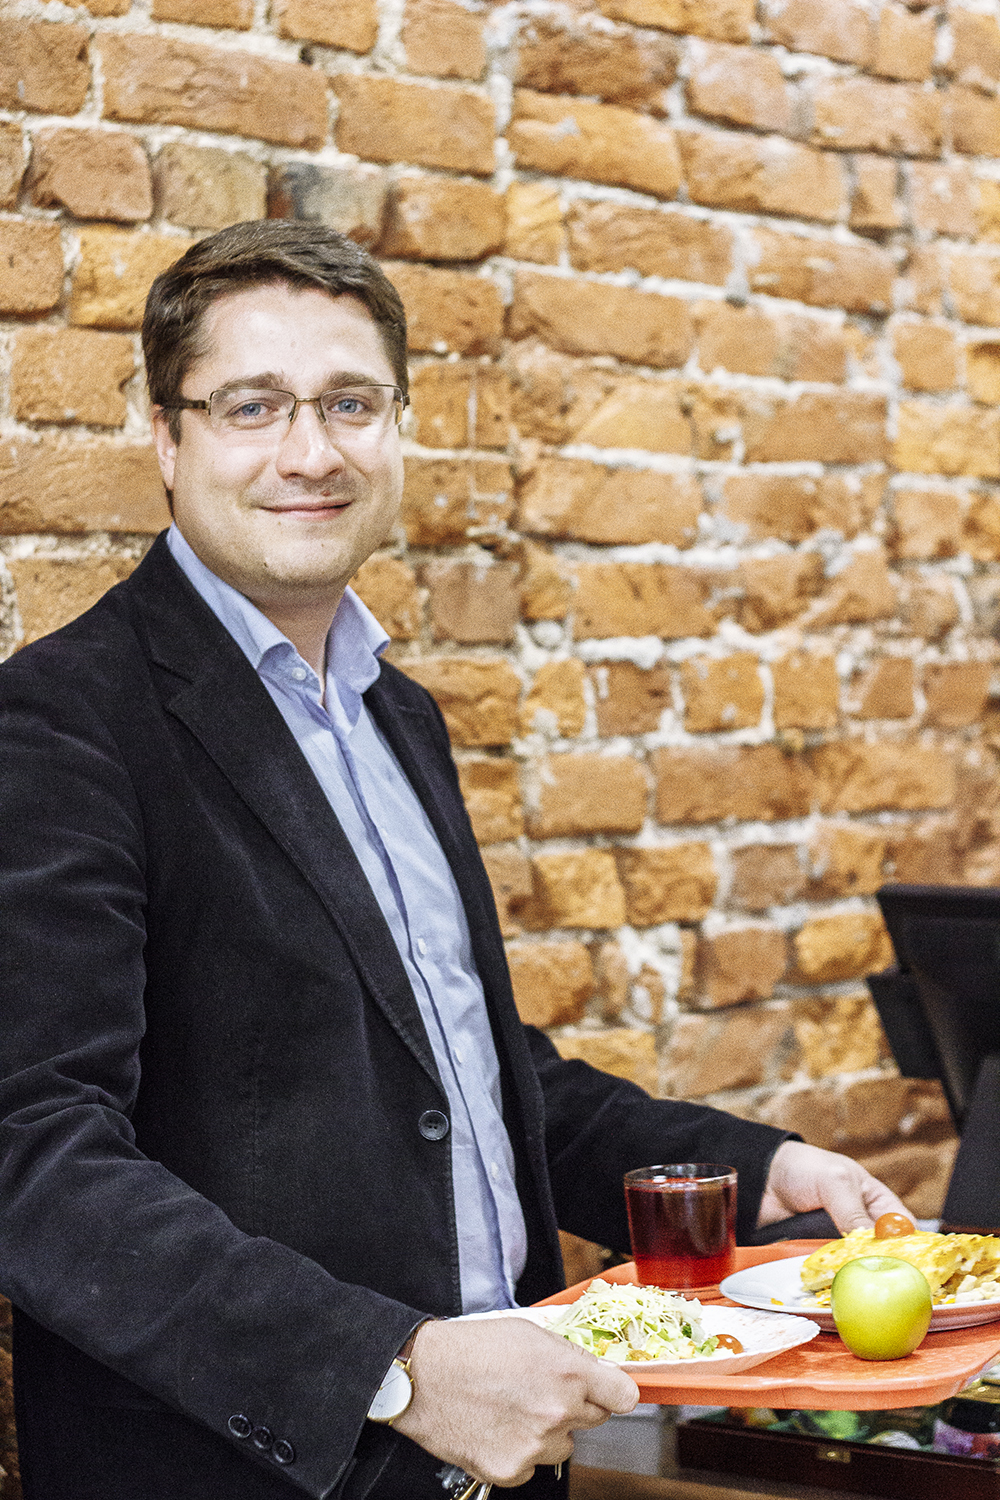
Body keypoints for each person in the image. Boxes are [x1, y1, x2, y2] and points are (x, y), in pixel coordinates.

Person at [0, 221, 908, 1500]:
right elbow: (31, 1155)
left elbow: (472, 1074)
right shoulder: (60, 723)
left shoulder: (396, 714)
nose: (310, 452)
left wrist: (759, 1170)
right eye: (252, 406)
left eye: (350, 403)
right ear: (167, 437)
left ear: (399, 426)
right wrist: (397, 1371)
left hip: (505, 1470)